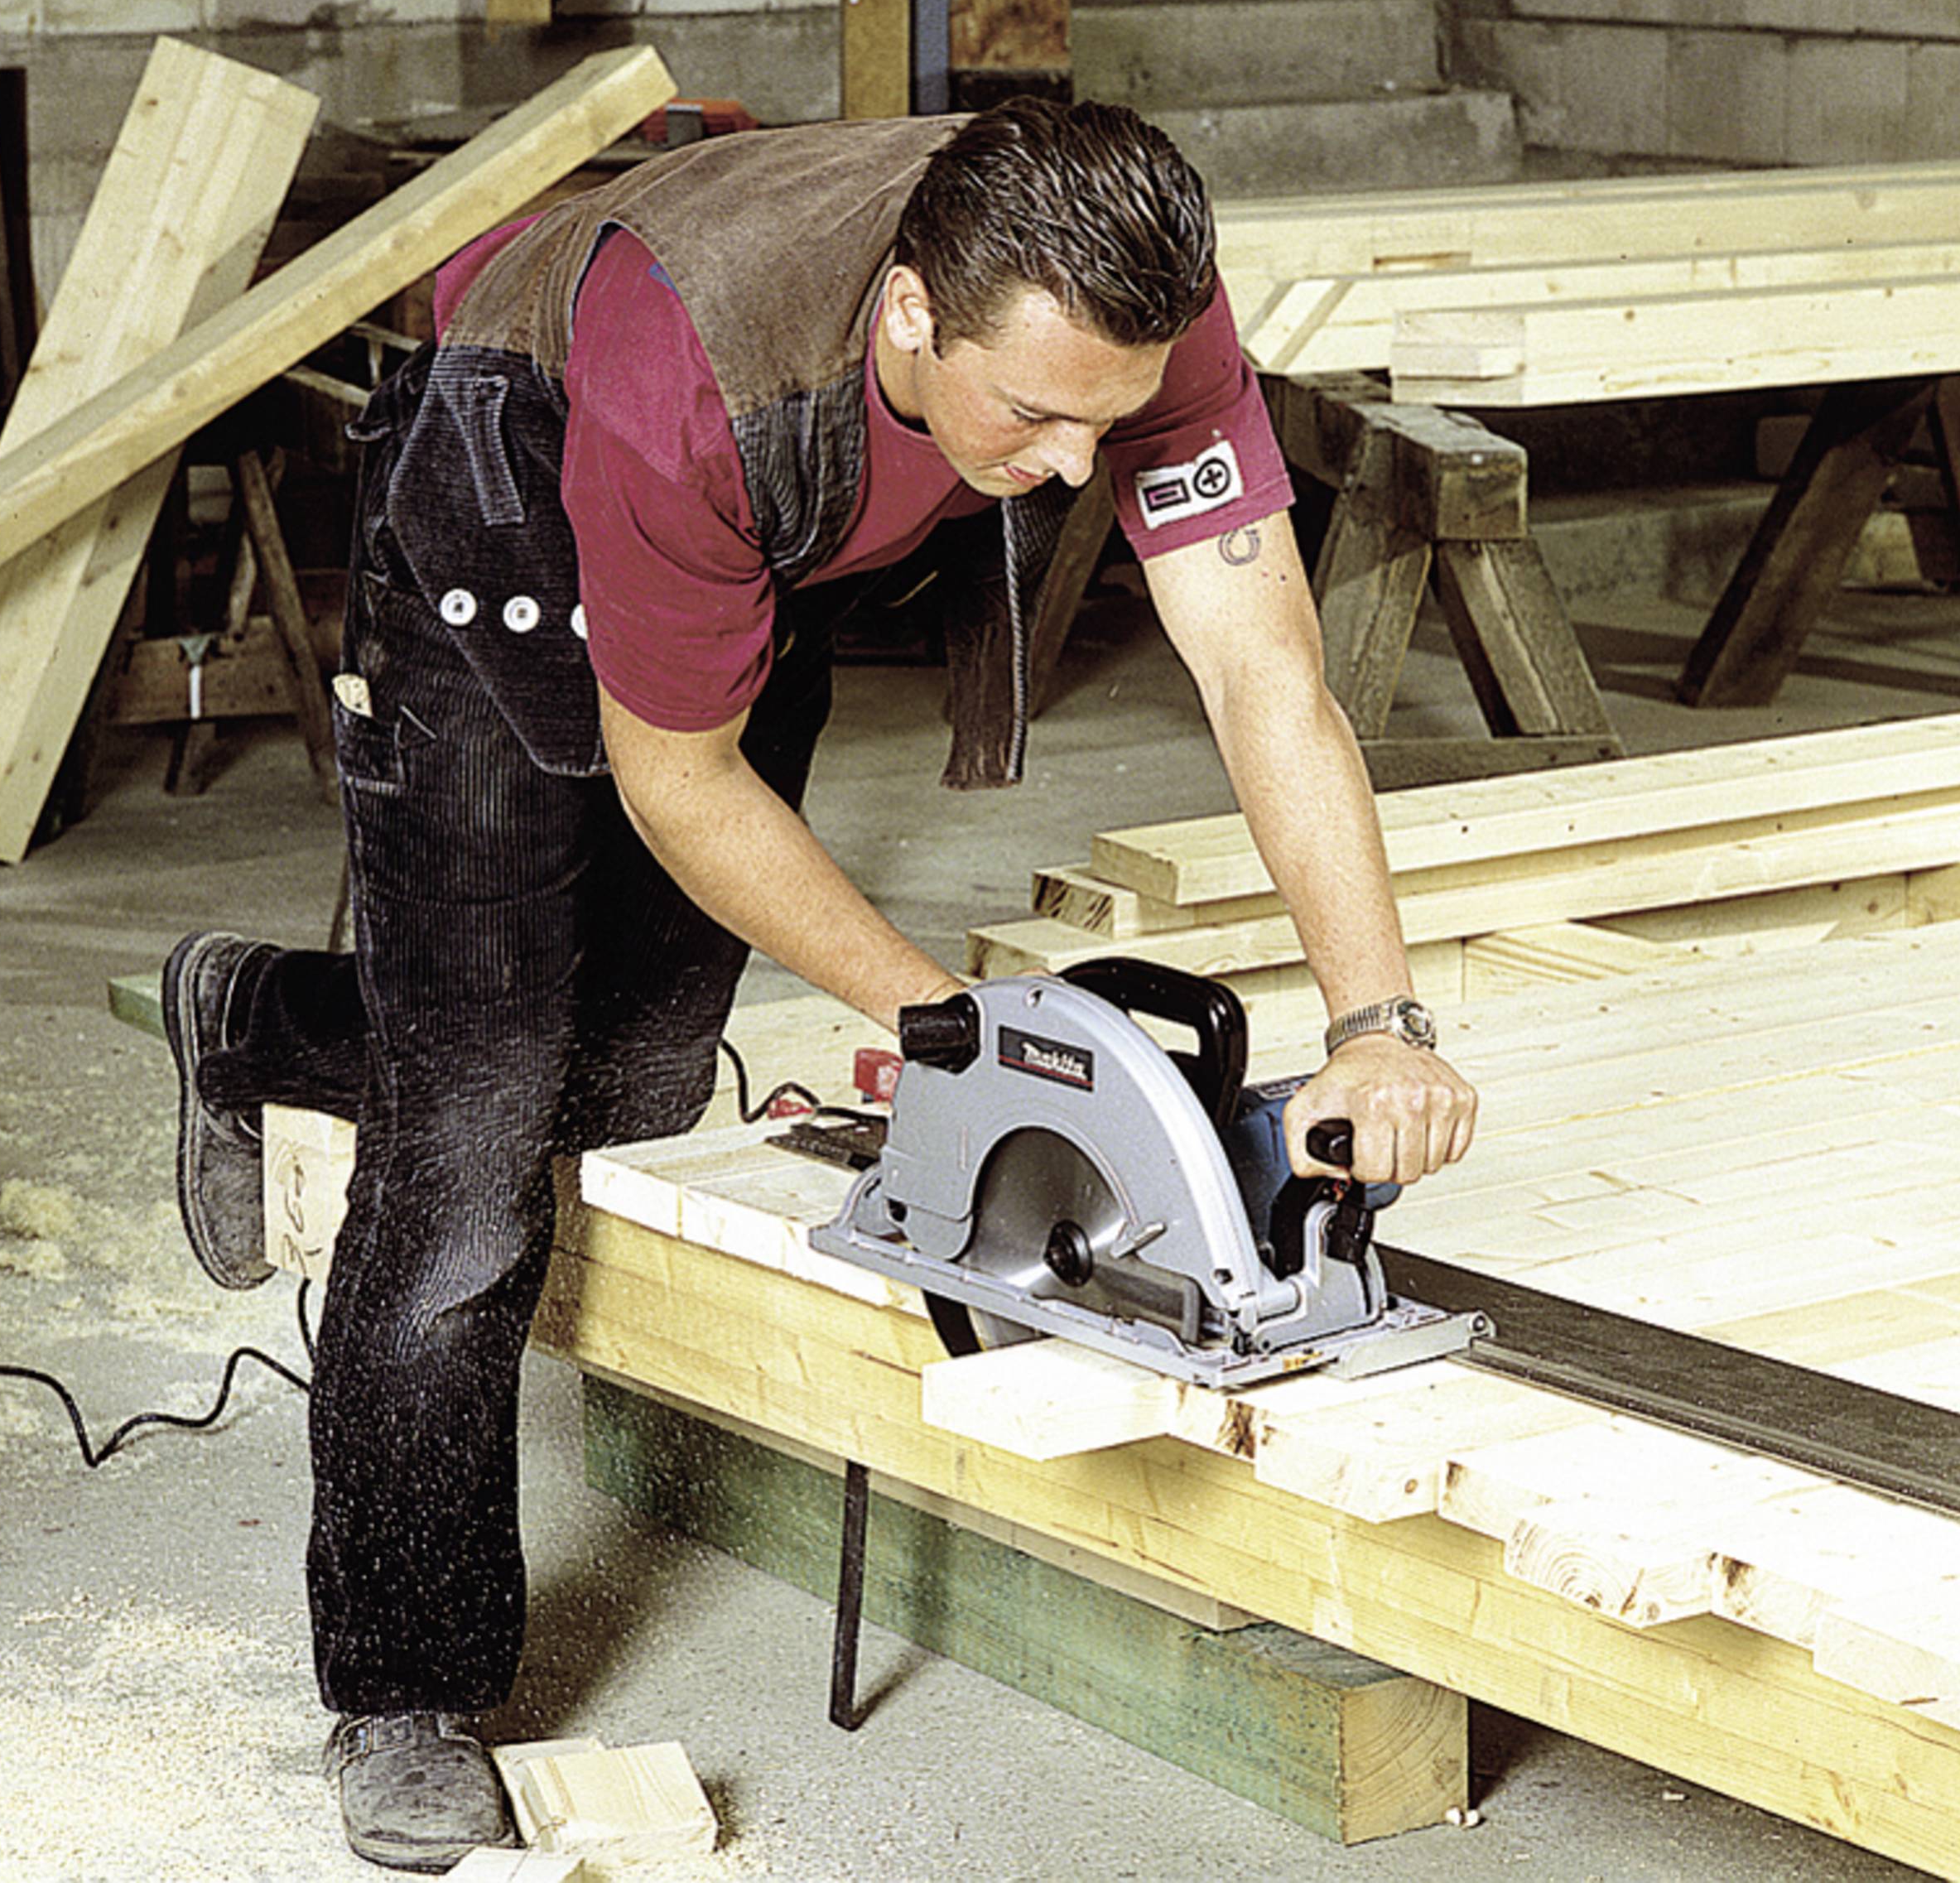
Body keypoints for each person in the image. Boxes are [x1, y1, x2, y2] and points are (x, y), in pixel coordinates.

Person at [161, 97, 1478, 1873]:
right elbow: (683, 781)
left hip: (751, 538)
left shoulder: (1123, 316)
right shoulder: (691, 376)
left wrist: (1378, 1017)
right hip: (505, 477)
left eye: (1111, 414)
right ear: (912, 318)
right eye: (1037, 417)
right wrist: (957, 1023)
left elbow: (1262, 671)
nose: (1083, 465)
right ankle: (403, 1681)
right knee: (470, 1133)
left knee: (629, 1079)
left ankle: (255, 1011)